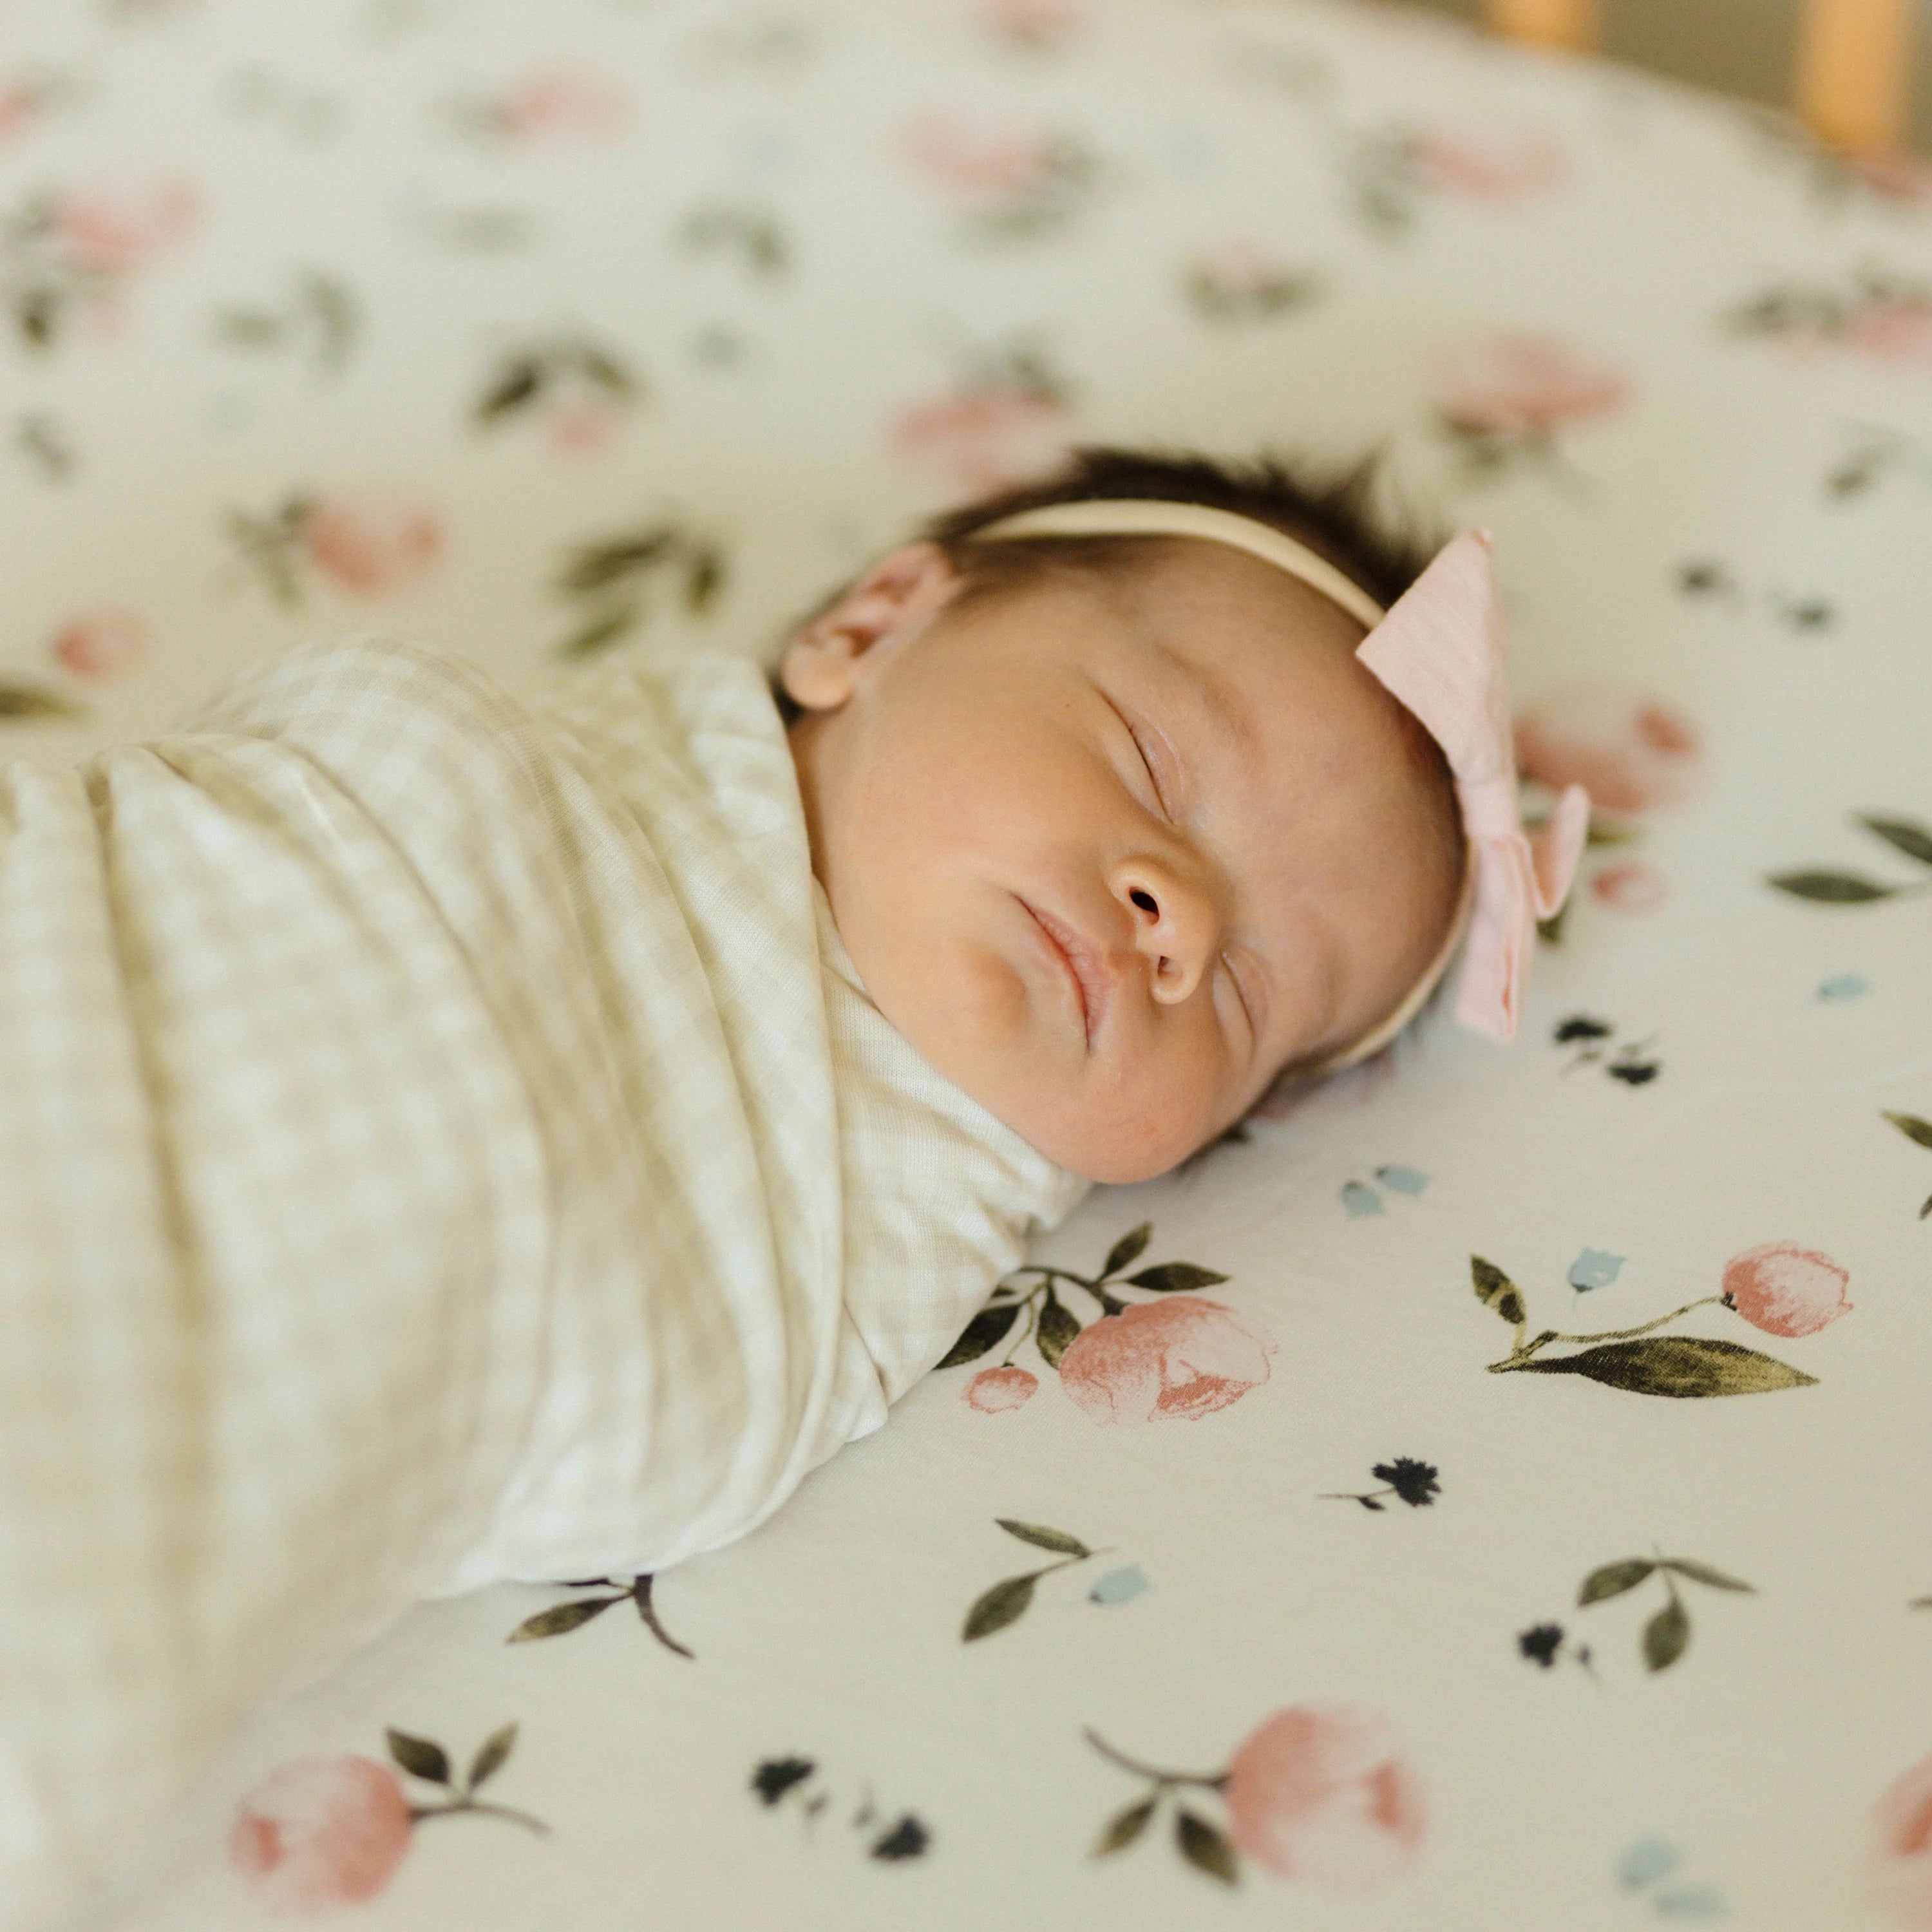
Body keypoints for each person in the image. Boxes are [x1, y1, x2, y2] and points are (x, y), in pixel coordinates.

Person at [0, 446, 1584, 1930]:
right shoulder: (529, 796)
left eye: (1243, 993)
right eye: (1150, 760)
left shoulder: (796, 1256)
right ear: (872, 626)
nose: (1176, 916)